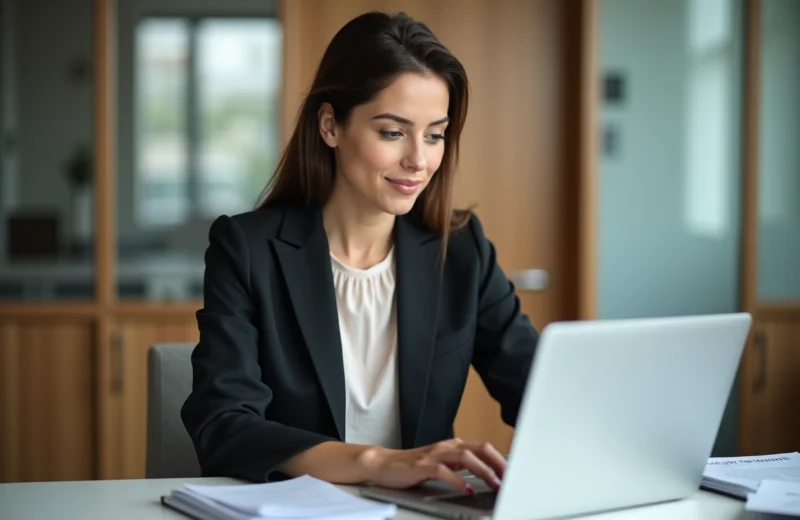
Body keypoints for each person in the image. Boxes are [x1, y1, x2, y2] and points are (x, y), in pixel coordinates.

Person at [181, 10, 539, 495]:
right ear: (330, 125)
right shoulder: (248, 250)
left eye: (434, 134)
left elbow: (540, 393)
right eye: (393, 132)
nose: (419, 159)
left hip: (419, 511)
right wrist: (377, 462)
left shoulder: (461, 250)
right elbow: (224, 424)